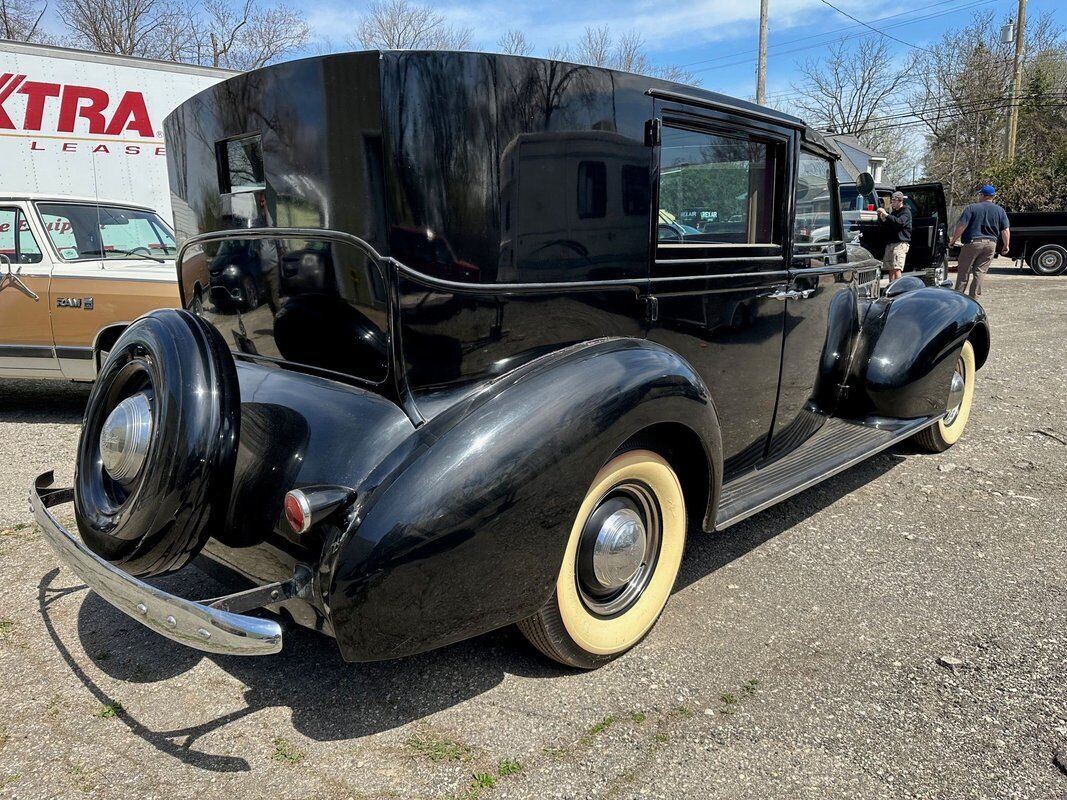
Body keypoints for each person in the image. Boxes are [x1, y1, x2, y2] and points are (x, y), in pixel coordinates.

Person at [950, 185, 1010, 299]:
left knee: (964, 271)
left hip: (973, 243)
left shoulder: (972, 208)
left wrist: (953, 240)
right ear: (993, 196)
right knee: (980, 272)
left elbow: (962, 225)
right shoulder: (1000, 211)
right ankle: (974, 299)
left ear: (982, 195)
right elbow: (1005, 230)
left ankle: (958, 298)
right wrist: (1006, 245)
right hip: (991, 244)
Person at [877, 190, 912, 282]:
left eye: (894, 200)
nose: (892, 202)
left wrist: (886, 214)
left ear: (900, 201)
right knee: (890, 268)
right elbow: (887, 226)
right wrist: (882, 218)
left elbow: (900, 222)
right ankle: (891, 288)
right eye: (892, 200)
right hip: (890, 243)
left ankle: (899, 290)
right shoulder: (893, 213)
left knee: (897, 267)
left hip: (900, 244)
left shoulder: (906, 211)